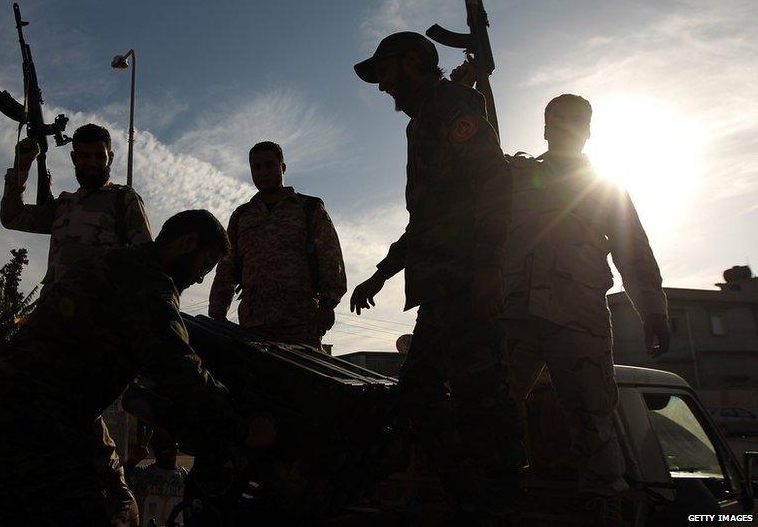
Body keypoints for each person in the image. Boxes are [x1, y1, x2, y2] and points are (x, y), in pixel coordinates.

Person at [0, 210, 273, 526]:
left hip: (20, 405)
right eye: (204, 265)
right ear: (186, 242)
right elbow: (177, 369)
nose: (199, 277)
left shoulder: (115, 264)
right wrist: (241, 427)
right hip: (34, 416)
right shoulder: (148, 284)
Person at [350, 31, 523, 521]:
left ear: (412, 63)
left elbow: (494, 183)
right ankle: (465, 494)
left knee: (481, 397)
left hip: (467, 281)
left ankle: (498, 501)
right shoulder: (421, 122)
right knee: (418, 398)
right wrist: (382, 274)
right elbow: (426, 220)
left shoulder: (452, 105)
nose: (382, 86)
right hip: (438, 289)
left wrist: (489, 265)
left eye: (384, 71)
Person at [500, 94, 669, 503]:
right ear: (544, 127)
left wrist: (653, 312)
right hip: (514, 313)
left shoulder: (605, 187)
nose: (565, 126)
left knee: (592, 418)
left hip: (578, 315)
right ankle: (498, 497)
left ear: (589, 131)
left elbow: (634, 251)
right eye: (557, 119)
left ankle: (604, 505)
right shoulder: (514, 175)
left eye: (576, 121)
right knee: (492, 412)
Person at [208, 141, 346, 350]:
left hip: (301, 320)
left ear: (282, 167)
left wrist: (328, 304)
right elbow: (227, 266)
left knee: (305, 380)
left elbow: (330, 257)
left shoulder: (308, 208)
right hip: (253, 323)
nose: (263, 172)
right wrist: (217, 312)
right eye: (257, 167)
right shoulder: (242, 216)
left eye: (269, 165)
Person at [0, 123, 152, 292]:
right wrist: (22, 166)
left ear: (110, 157)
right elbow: (12, 217)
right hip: (54, 311)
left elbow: (146, 261)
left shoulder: (123, 199)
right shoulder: (63, 206)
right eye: (85, 156)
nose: (92, 163)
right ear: (74, 158)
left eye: (99, 156)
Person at [126, 430, 188, 527]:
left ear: (177, 446)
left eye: (168, 441)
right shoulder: (141, 475)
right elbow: (115, 483)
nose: (164, 446)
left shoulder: (187, 479)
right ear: (154, 448)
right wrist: (132, 461)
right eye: (159, 442)